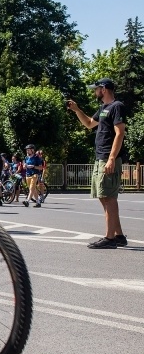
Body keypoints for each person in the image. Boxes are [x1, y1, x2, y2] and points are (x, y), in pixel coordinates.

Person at [67, 78, 127, 248]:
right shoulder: (103, 109)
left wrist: (111, 158)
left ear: (104, 89)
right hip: (100, 157)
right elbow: (88, 124)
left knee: (109, 197)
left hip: (108, 158)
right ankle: (119, 235)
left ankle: (109, 239)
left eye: (97, 89)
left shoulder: (116, 106)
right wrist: (77, 109)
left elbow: (120, 133)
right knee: (103, 196)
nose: (95, 92)